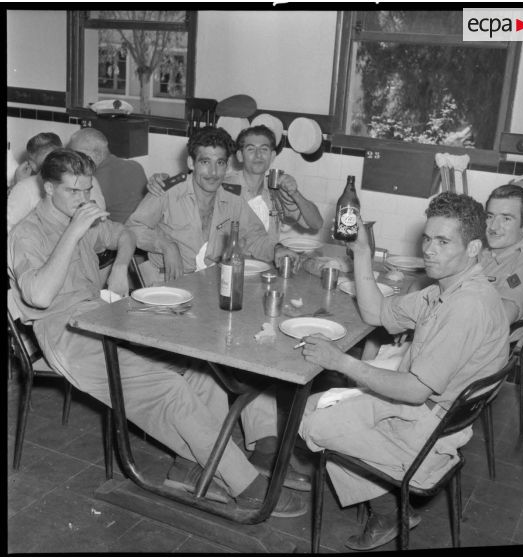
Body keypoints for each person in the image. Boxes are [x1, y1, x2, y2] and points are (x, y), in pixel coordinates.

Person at [8, 148, 307, 518]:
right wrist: (74, 230)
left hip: (102, 317)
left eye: (88, 191)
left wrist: (119, 266)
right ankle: (246, 486)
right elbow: (38, 295)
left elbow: (125, 234)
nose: (84, 201)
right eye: (74, 192)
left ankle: (190, 465)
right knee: (168, 387)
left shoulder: (80, 215)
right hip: (66, 336)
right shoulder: (28, 233)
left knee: (200, 367)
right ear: (48, 188)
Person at [298, 192, 509, 550]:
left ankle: (388, 510)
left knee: (312, 423)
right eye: (428, 239)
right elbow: (376, 314)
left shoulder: (467, 306)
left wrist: (341, 362)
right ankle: (389, 513)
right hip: (424, 409)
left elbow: (413, 390)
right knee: (315, 405)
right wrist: (362, 252)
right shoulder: (445, 289)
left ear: (473, 248)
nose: (429, 249)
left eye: (443, 242)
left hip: (430, 428)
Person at [126, 126, 301, 285]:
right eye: (205, 162)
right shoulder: (167, 191)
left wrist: (277, 249)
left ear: (227, 165)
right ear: (190, 163)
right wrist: (166, 245)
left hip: (208, 283)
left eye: (220, 163)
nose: (213, 172)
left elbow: (255, 237)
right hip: (164, 280)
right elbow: (132, 228)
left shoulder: (233, 198)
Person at [146, 124, 324, 244]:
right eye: (250, 149)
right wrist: (162, 180)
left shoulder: (276, 192)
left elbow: (316, 224)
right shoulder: (224, 184)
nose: (258, 155)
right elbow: (195, 179)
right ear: (239, 156)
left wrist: (296, 194)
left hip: (265, 265)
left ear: (272, 156)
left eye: (264, 149)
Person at [480, 184, 523, 342]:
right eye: (490, 216)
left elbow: (501, 316)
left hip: (489, 349)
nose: (493, 227)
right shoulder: (488, 253)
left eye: (506, 218)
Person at [8, 132, 105, 232]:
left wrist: (16, 186)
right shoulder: (88, 178)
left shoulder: (25, 187)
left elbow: (9, 229)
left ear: (31, 163)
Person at [68, 128, 147, 223]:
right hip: (146, 230)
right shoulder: (135, 166)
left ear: (97, 155)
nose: (71, 159)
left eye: (76, 154)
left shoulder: (93, 181)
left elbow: (79, 218)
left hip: (121, 234)